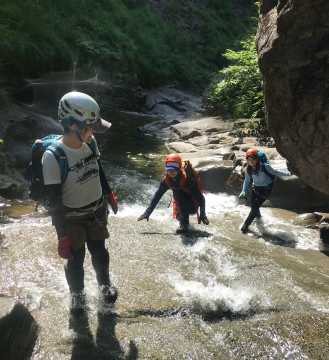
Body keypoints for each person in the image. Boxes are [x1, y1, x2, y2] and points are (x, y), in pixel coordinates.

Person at [42, 91, 119, 315]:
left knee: (100, 253)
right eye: (90, 126)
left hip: (96, 211)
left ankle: (104, 285)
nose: (94, 131)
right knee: (76, 261)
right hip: (72, 218)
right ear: (74, 125)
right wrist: (61, 236)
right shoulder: (53, 156)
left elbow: (98, 168)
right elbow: (55, 201)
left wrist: (109, 192)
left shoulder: (90, 142)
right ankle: (77, 297)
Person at [138, 153, 209, 230]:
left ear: (178, 168)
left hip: (192, 205)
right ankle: (183, 224)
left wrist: (203, 214)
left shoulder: (186, 180)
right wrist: (147, 213)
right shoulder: (166, 181)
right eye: (169, 169)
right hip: (179, 203)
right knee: (179, 218)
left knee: (183, 217)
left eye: (174, 169)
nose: (171, 171)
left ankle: (185, 228)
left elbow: (200, 197)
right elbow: (156, 197)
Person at [238, 148, 292, 233]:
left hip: (266, 190)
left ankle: (245, 225)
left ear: (256, 158)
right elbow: (247, 180)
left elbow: (275, 172)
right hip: (255, 189)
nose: (251, 162)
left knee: (255, 207)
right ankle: (258, 217)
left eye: (253, 159)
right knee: (254, 207)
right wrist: (243, 191)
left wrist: (289, 174)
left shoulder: (265, 166)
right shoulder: (248, 169)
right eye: (249, 160)